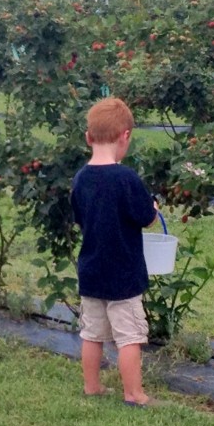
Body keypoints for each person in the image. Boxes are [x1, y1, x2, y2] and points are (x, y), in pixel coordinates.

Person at [70, 97, 157, 407]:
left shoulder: (80, 178)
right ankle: (134, 393)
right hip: (124, 273)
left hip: (91, 269)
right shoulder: (127, 179)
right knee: (129, 336)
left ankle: (91, 386)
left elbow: (80, 218)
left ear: (88, 138)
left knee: (91, 333)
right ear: (126, 137)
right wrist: (154, 208)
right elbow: (146, 217)